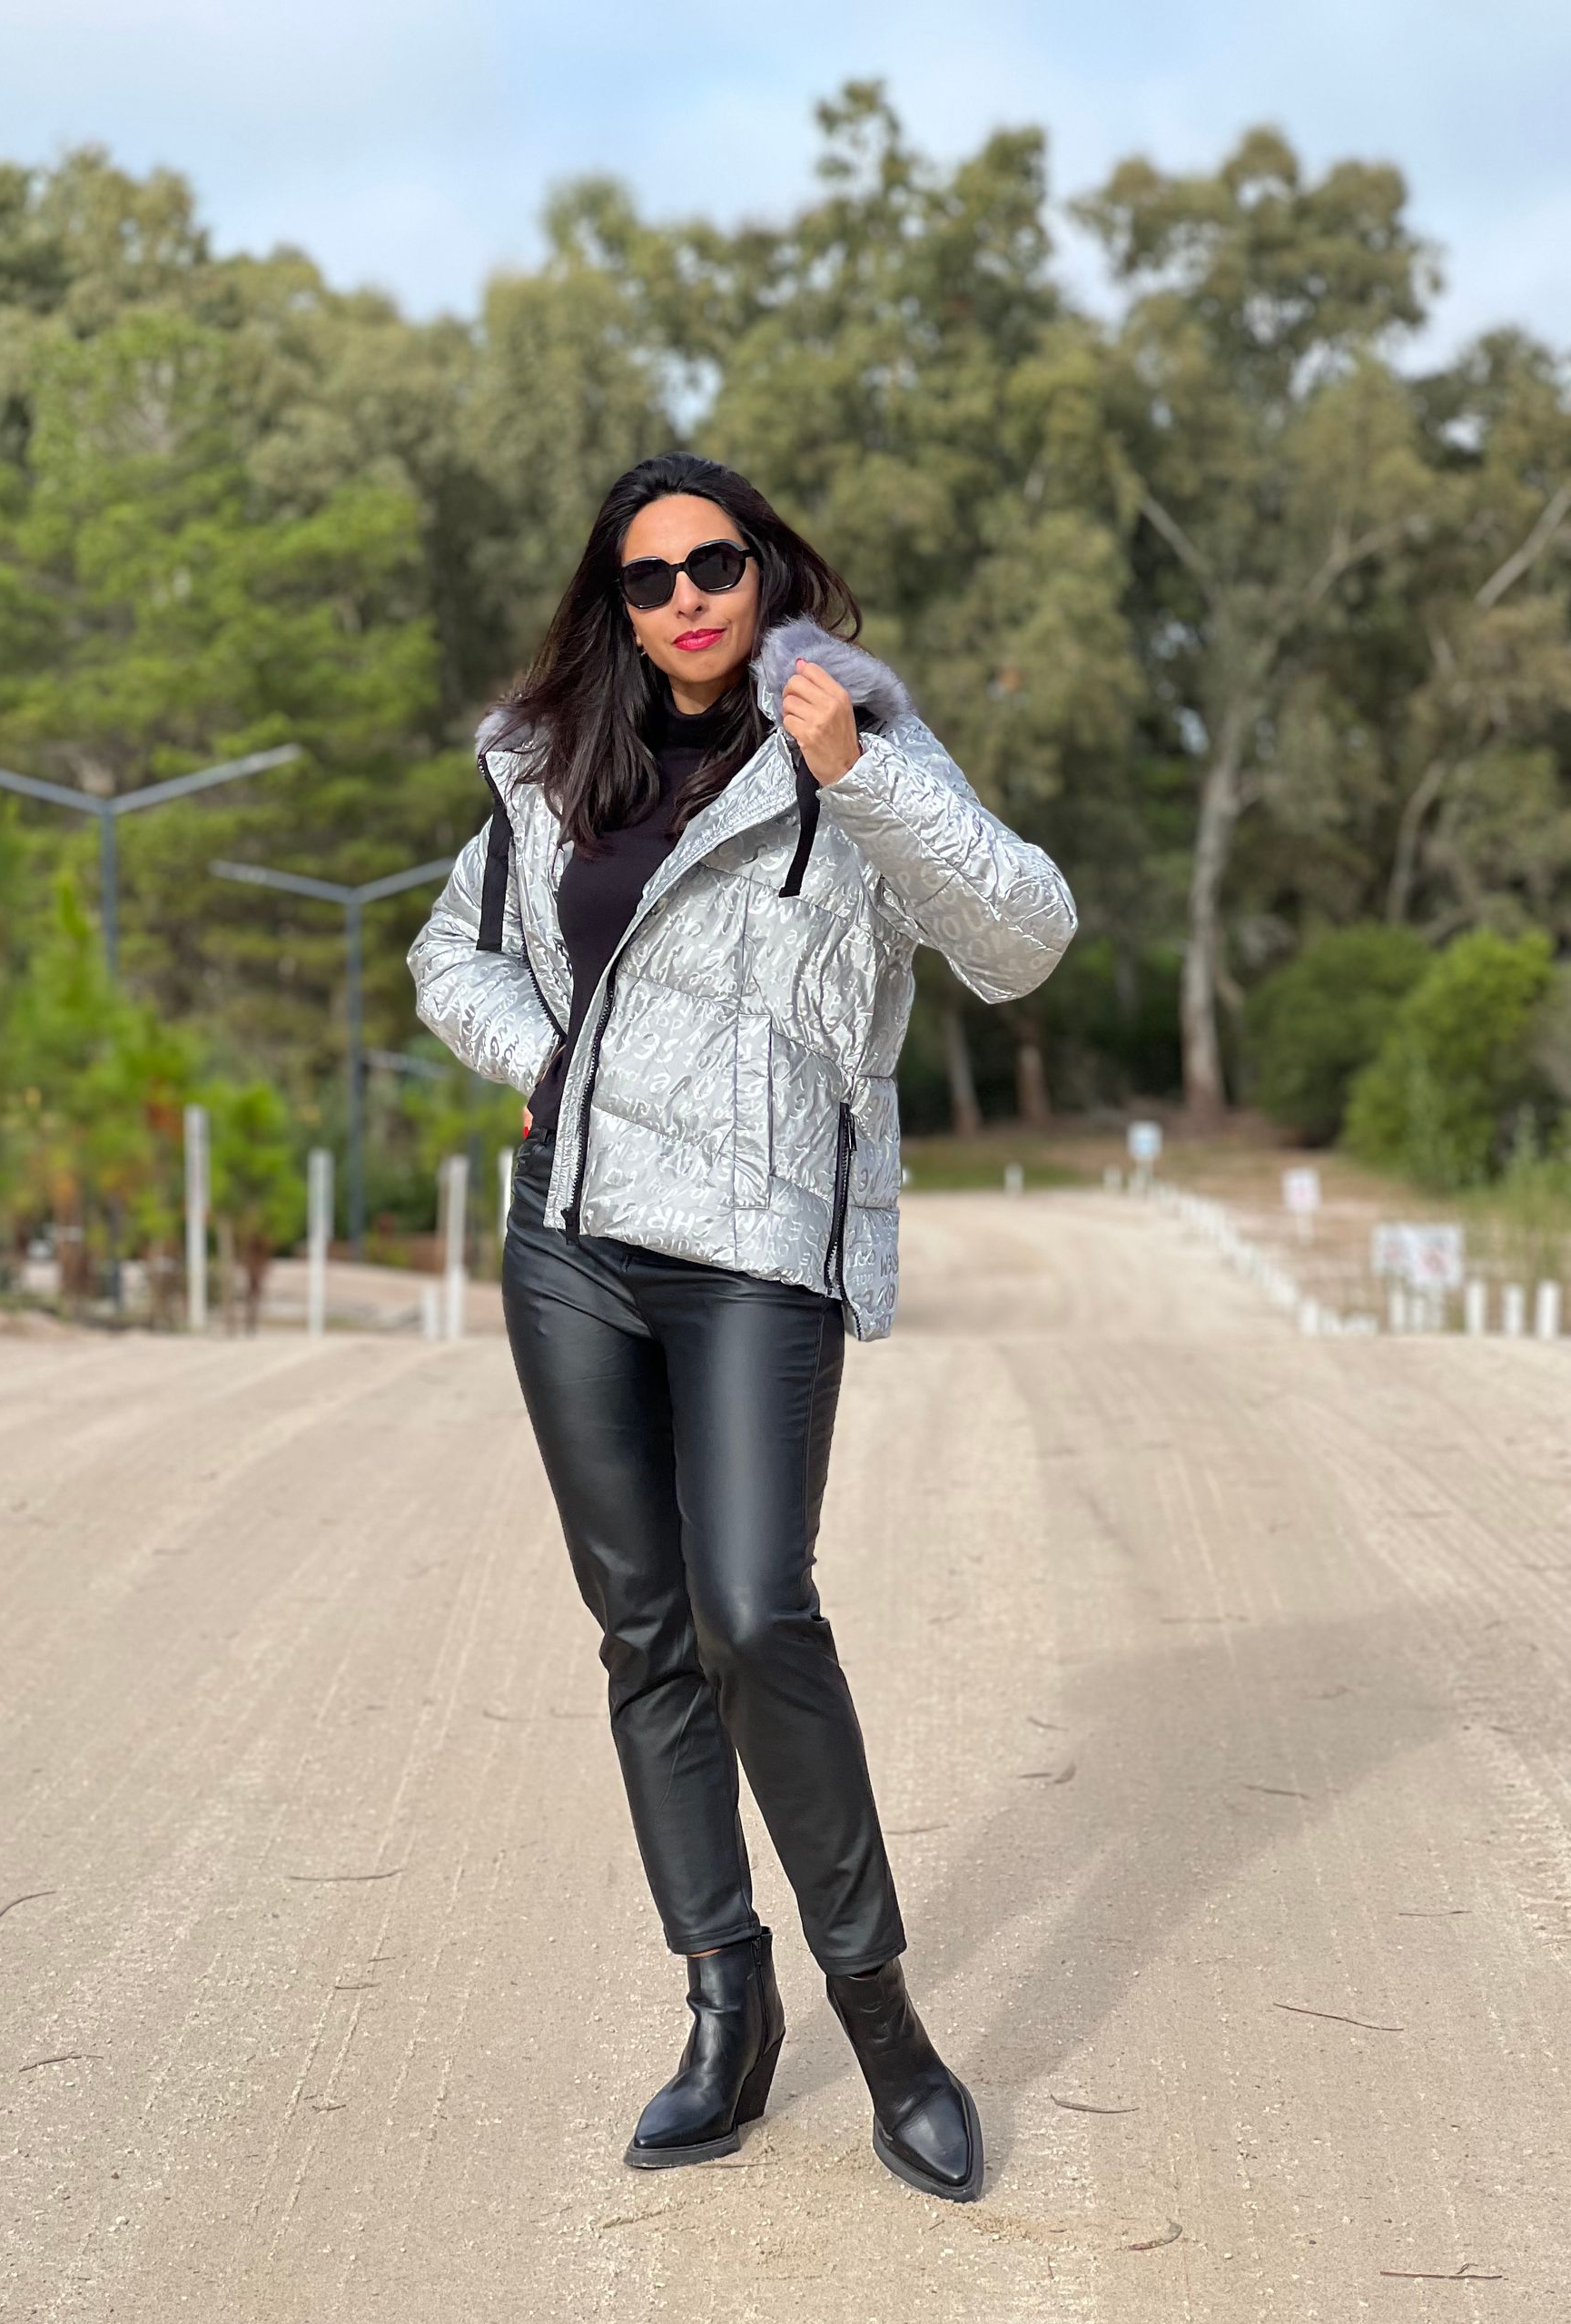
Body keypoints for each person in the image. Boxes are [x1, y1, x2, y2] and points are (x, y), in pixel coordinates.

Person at [408, 450, 1075, 2204]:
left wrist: (864, 783)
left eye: (716, 563)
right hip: (569, 1249)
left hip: (759, 1249)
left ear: (764, 570)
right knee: (644, 1632)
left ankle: (887, 2028)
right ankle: (726, 2006)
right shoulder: (551, 764)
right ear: (614, 603)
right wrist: (542, 1063)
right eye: (650, 578)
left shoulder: (848, 733)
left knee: (756, 1609)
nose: (688, 597)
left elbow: (1025, 939)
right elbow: (448, 957)